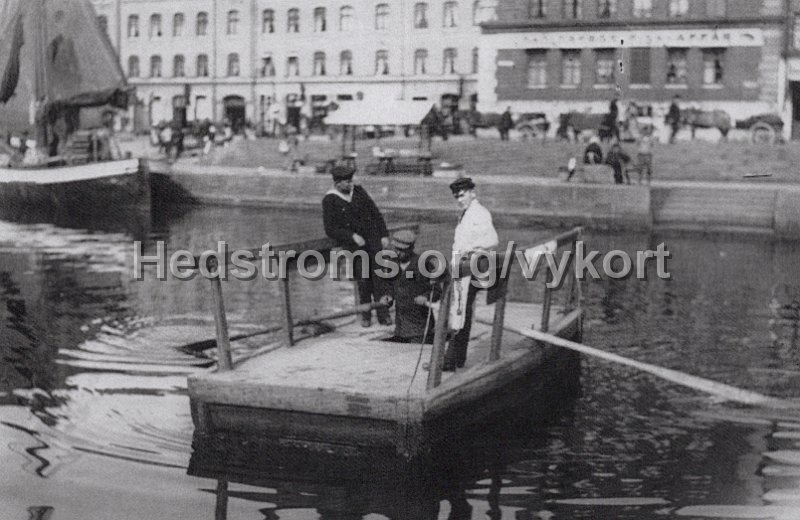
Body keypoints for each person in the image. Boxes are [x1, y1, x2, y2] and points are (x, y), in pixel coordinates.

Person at [322, 165, 392, 328]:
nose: (350, 184)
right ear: (337, 183)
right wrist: (351, 236)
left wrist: (383, 234)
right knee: (363, 280)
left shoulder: (359, 191)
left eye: (351, 180)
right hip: (356, 248)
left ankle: (383, 314)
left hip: (373, 242)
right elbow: (330, 228)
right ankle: (366, 315)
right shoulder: (330, 200)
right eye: (346, 182)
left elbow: (375, 213)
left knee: (380, 279)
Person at [444, 177, 499, 371]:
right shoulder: (467, 213)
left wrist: (469, 248)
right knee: (462, 311)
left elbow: (492, 239)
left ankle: (450, 361)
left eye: (462, 195)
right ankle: (457, 359)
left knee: (459, 310)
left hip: (472, 268)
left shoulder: (479, 213)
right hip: (464, 267)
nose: (459, 200)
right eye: (456, 197)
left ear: (472, 193)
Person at [383, 229, 443, 344]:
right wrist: (388, 296)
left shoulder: (423, 264)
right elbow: (389, 285)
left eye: (402, 250)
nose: (398, 253)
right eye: (395, 249)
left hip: (420, 326)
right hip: (401, 326)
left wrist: (425, 297)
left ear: (411, 248)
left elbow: (436, 290)